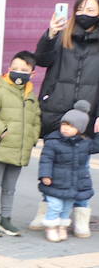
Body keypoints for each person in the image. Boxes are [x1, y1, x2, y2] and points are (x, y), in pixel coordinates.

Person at [29, 0, 99, 229]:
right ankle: (47, 211)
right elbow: (42, 59)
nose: (84, 14)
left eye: (91, 10)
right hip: (56, 112)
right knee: (52, 164)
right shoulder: (62, 36)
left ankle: (80, 215)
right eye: (80, 9)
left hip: (86, 114)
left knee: (80, 167)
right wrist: (50, 33)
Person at [0, 51, 42, 237]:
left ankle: (6, 219)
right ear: (8, 69)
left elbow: (36, 118)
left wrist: (32, 138)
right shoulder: (1, 91)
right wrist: (2, 130)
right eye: (15, 69)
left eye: (24, 70)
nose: (19, 72)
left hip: (19, 150)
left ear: (32, 74)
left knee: (10, 187)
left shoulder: (30, 95)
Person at [37, 100, 99, 242]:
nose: (65, 128)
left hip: (74, 183)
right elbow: (46, 159)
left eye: (70, 126)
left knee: (66, 207)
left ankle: (62, 226)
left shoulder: (84, 143)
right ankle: (51, 226)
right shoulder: (53, 141)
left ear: (80, 129)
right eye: (64, 124)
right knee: (55, 205)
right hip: (55, 182)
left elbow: (96, 146)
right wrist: (45, 175)